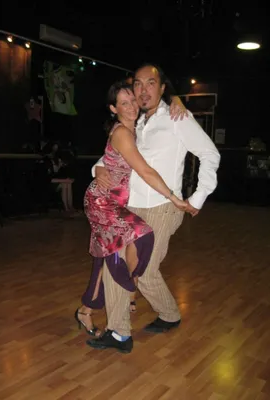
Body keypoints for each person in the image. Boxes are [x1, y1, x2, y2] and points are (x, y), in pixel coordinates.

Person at [86, 63, 220, 353]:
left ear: (162, 88)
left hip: (162, 208)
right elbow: (116, 155)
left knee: (144, 270)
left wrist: (196, 199)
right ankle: (119, 332)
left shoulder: (178, 117)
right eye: (138, 84)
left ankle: (169, 314)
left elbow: (210, 154)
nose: (143, 89)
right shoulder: (136, 122)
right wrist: (97, 168)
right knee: (116, 264)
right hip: (129, 207)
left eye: (151, 83)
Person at [75, 80, 188, 352]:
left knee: (110, 255)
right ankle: (125, 298)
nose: (132, 105)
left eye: (133, 100)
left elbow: (106, 158)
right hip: (103, 202)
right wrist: (174, 197)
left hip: (117, 203)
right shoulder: (124, 133)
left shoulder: (135, 128)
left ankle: (93, 310)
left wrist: (176, 99)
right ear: (113, 108)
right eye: (124, 102)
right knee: (136, 239)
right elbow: (145, 171)